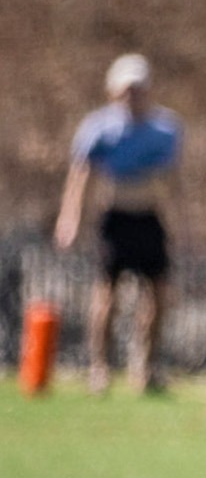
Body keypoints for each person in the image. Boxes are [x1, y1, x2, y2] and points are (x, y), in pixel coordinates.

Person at [55, 53, 183, 396]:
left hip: (149, 218)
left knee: (158, 295)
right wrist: (70, 218)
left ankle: (147, 366)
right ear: (113, 91)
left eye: (139, 89)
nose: (133, 96)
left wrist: (181, 224)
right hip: (114, 219)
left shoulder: (165, 129)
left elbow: (173, 181)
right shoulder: (99, 128)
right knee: (107, 295)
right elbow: (81, 176)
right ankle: (99, 366)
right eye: (127, 89)